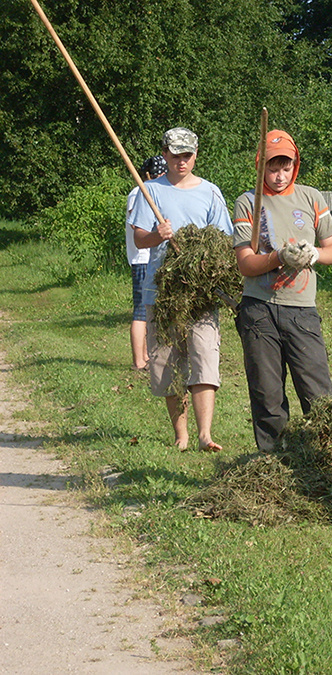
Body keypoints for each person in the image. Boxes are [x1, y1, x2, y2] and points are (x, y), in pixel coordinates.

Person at [231, 129, 332, 451]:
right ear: (260, 166)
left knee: (317, 391)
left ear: (295, 165)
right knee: (267, 395)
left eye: (285, 167)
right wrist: (278, 256)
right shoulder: (248, 201)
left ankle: (325, 458)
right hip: (259, 309)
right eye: (272, 167)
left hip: (301, 310)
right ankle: (273, 464)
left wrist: (315, 254)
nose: (279, 176)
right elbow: (246, 264)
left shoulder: (311, 198)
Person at [129, 127, 234, 452]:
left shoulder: (210, 192)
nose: (181, 161)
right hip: (162, 290)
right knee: (167, 363)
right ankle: (181, 435)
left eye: (187, 155)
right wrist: (157, 236)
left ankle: (205, 434)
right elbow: (139, 238)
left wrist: (207, 263)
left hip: (201, 291)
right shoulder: (151, 191)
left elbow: (223, 241)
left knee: (204, 356)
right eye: (175, 155)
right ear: (164, 154)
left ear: (196, 155)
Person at [125, 155, 167, 371]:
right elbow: (137, 227)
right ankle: (139, 361)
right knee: (141, 311)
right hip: (142, 259)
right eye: (159, 173)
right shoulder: (140, 193)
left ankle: (146, 356)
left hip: (149, 258)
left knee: (147, 309)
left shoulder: (151, 191)